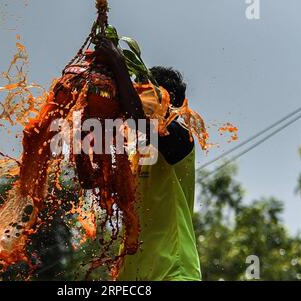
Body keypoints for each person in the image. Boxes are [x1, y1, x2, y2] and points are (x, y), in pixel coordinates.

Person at [94, 39, 202, 281]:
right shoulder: (134, 152)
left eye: (145, 92)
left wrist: (118, 64)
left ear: (168, 98)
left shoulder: (182, 137)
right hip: (130, 276)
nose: (137, 98)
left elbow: (143, 118)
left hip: (174, 271)